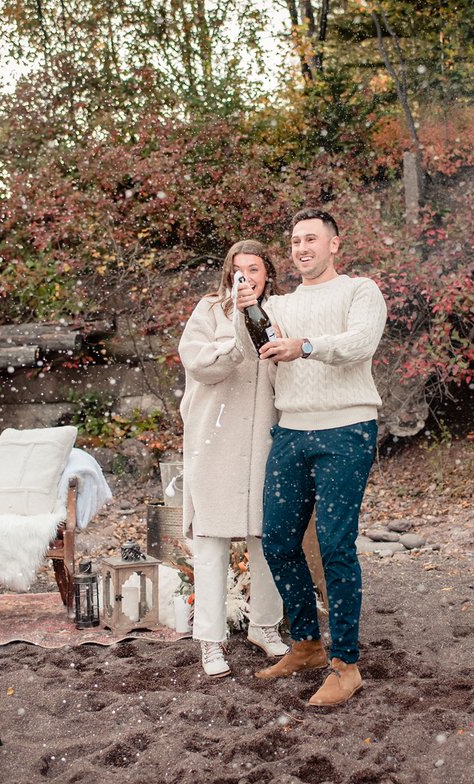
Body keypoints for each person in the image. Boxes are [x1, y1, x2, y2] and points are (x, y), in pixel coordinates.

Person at [234, 207, 387, 707]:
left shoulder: (360, 292)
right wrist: (244, 310)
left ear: (334, 245)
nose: (302, 248)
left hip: (347, 429)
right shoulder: (275, 304)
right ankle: (306, 644)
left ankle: (346, 665)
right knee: (277, 540)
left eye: (311, 240)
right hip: (293, 432)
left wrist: (307, 346)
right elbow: (252, 348)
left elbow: (359, 344)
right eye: (295, 241)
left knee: (336, 546)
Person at [178, 239, 291, 678]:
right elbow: (199, 364)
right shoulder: (209, 310)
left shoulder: (281, 312)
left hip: (266, 441)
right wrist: (238, 339)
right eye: (239, 269)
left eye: (256, 269)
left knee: (267, 539)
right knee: (211, 543)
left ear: (267, 274)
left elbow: (291, 371)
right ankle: (210, 642)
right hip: (215, 441)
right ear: (230, 274)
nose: (247, 276)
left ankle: (265, 626)